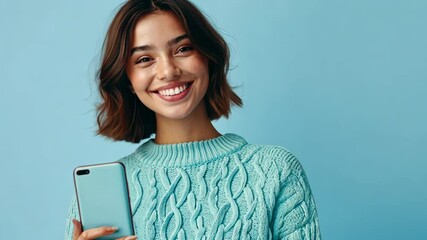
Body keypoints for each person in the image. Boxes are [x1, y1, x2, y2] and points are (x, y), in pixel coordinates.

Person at [64, 0, 321, 239]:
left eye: (183, 49)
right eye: (144, 59)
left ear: (208, 57)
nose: (168, 71)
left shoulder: (275, 171)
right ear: (127, 80)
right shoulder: (100, 195)